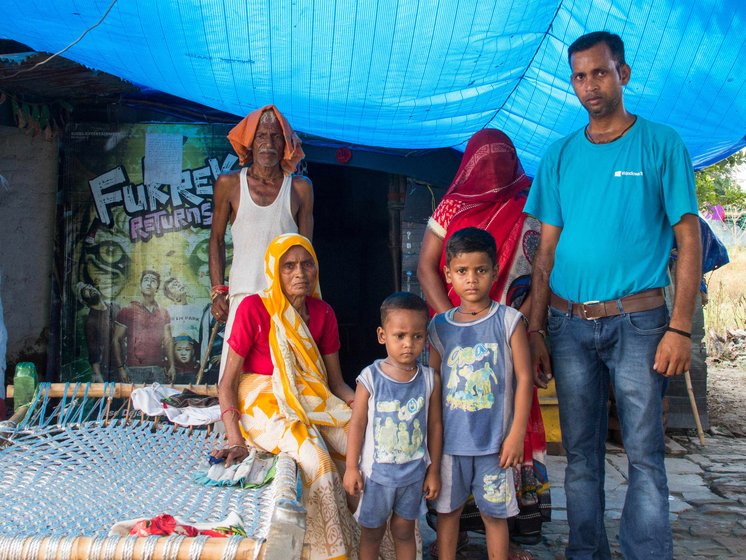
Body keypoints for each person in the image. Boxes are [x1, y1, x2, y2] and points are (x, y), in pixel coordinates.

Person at [524, 31, 701, 560]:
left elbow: (687, 242)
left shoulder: (661, 144)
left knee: (644, 453)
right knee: (579, 455)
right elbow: (544, 252)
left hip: (641, 324)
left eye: (599, 73)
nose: (589, 85)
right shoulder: (559, 156)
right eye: (579, 76)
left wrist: (681, 327)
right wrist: (535, 329)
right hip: (568, 326)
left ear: (622, 74)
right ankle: (586, 554)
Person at [417, 128, 551, 553]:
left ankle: (513, 529)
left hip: (510, 327)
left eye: (501, 157)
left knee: (510, 414)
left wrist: (526, 325)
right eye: (483, 158)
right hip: (458, 332)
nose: (492, 169)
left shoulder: (529, 200)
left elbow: (540, 271)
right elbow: (426, 268)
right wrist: (452, 321)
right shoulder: (451, 205)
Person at [214, 233, 357, 560]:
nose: (300, 273)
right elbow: (227, 383)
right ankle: (328, 552)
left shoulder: (323, 313)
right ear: (274, 271)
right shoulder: (253, 307)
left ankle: (365, 541)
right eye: (288, 266)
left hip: (311, 399)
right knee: (317, 460)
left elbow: (337, 384)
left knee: (360, 444)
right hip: (262, 403)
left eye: (307, 264)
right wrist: (235, 437)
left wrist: (363, 408)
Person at [428, 227, 534, 560]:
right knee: (448, 515)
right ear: (448, 274)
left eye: (480, 270)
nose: (471, 279)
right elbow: (432, 386)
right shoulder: (439, 327)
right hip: (450, 447)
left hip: (495, 445)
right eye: (462, 271)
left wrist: (516, 434)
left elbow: (525, 378)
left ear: (494, 271)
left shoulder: (509, 321)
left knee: (494, 515)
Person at [209, 105, 313, 381]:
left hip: (286, 300)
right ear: (250, 143)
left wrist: (305, 301)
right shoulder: (229, 184)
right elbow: (216, 240)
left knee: (286, 380)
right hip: (243, 297)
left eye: (276, 136)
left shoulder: (301, 188)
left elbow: (307, 252)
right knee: (234, 379)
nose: (268, 144)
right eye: (261, 136)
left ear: (286, 144)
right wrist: (218, 291)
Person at [344, 292, 443, 560]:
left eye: (417, 336)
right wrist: (352, 467)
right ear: (382, 335)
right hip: (376, 477)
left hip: (413, 476)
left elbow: (434, 425)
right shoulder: (370, 378)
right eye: (400, 335)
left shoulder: (429, 379)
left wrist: (433, 471)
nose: (409, 344)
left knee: (404, 531)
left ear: (425, 337)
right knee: (372, 534)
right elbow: (357, 425)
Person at [112, 269, 176, 384]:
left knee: (158, 401)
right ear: (140, 285)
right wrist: (121, 368)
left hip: (158, 369)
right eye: (146, 280)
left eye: (153, 281)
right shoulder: (127, 310)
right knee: (135, 402)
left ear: (157, 287)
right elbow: (116, 340)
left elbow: (168, 340)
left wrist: (172, 366)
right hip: (134, 369)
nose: (149, 283)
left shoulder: (163, 312)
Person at [77, 282, 120, 382]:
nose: (90, 290)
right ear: (84, 301)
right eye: (85, 292)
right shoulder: (91, 322)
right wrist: (97, 373)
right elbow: (93, 350)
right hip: (110, 366)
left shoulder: (115, 307)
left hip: (126, 361)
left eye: (90, 287)